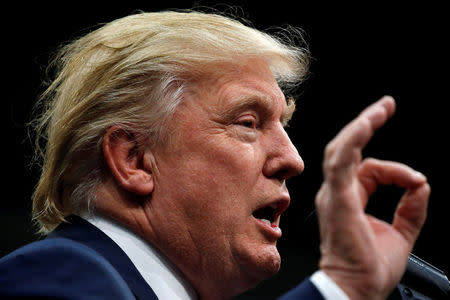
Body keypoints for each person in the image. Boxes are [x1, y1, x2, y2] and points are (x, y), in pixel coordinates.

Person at [0, 9, 430, 300]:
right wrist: (343, 285)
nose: (293, 159)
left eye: (285, 125)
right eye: (248, 123)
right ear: (133, 159)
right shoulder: (55, 276)